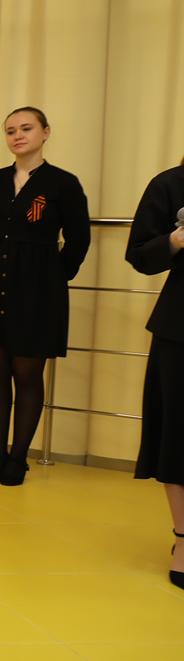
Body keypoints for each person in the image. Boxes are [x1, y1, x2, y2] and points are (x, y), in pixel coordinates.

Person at [0, 107, 89, 486]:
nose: (18, 135)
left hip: (39, 292)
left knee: (28, 374)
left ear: (45, 132)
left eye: (26, 128)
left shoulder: (63, 184)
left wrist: (51, 276)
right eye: (10, 131)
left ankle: (18, 459)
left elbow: (78, 240)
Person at [126, 155, 184, 591]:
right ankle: (183, 539)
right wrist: (176, 240)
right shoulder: (170, 184)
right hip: (180, 330)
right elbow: (140, 254)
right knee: (178, 439)